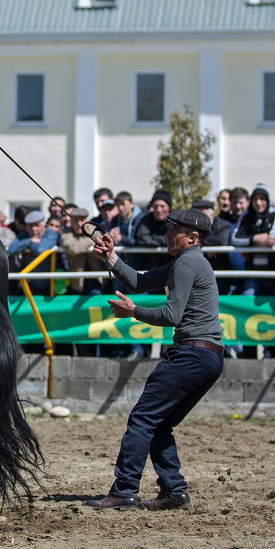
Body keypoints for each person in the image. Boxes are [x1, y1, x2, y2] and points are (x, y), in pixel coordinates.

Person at [84, 208, 223, 511]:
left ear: (193, 237)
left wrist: (132, 312)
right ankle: (174, 490)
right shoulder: (187, 262)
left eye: (175, 230)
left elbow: (172, 314)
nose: (168, 233)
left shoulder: (187, 263)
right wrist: (110, 255)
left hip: (191, 353)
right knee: (159, 424)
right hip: (209, 357)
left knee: (143, 418)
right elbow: (137, 281)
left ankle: (124, 490)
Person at [232, 184, 275, 296]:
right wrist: (255, 238)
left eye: (262, 199)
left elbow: (273, 239)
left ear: (268, 200)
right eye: (256, 199)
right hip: (254, 275)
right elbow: (235, 239)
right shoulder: (246, 216)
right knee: (247, 299)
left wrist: (250, 243)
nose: (258, 203)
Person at [60, 208, 107, 295]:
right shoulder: (66, 233)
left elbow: (102, 250)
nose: (79, 224)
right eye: (76, 220)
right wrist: (91, 242)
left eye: (82, 220)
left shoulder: (95, 230)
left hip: (97, 280)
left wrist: (83, 243)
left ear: (88, 220)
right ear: (70, 222)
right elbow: (73, 248)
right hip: (77, 282)